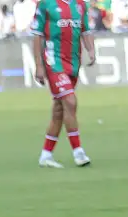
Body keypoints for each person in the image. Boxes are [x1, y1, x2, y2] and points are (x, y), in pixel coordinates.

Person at [31, 0, 94, 168]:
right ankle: (78, 152)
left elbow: (86, 30)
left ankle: (46, 155)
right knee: (70, 101)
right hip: (53, 61)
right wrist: (38, 65)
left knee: (60, 109)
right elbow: (37, 35)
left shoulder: (80, 4)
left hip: (73, 62)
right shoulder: (46, 4)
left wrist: (91, 49)